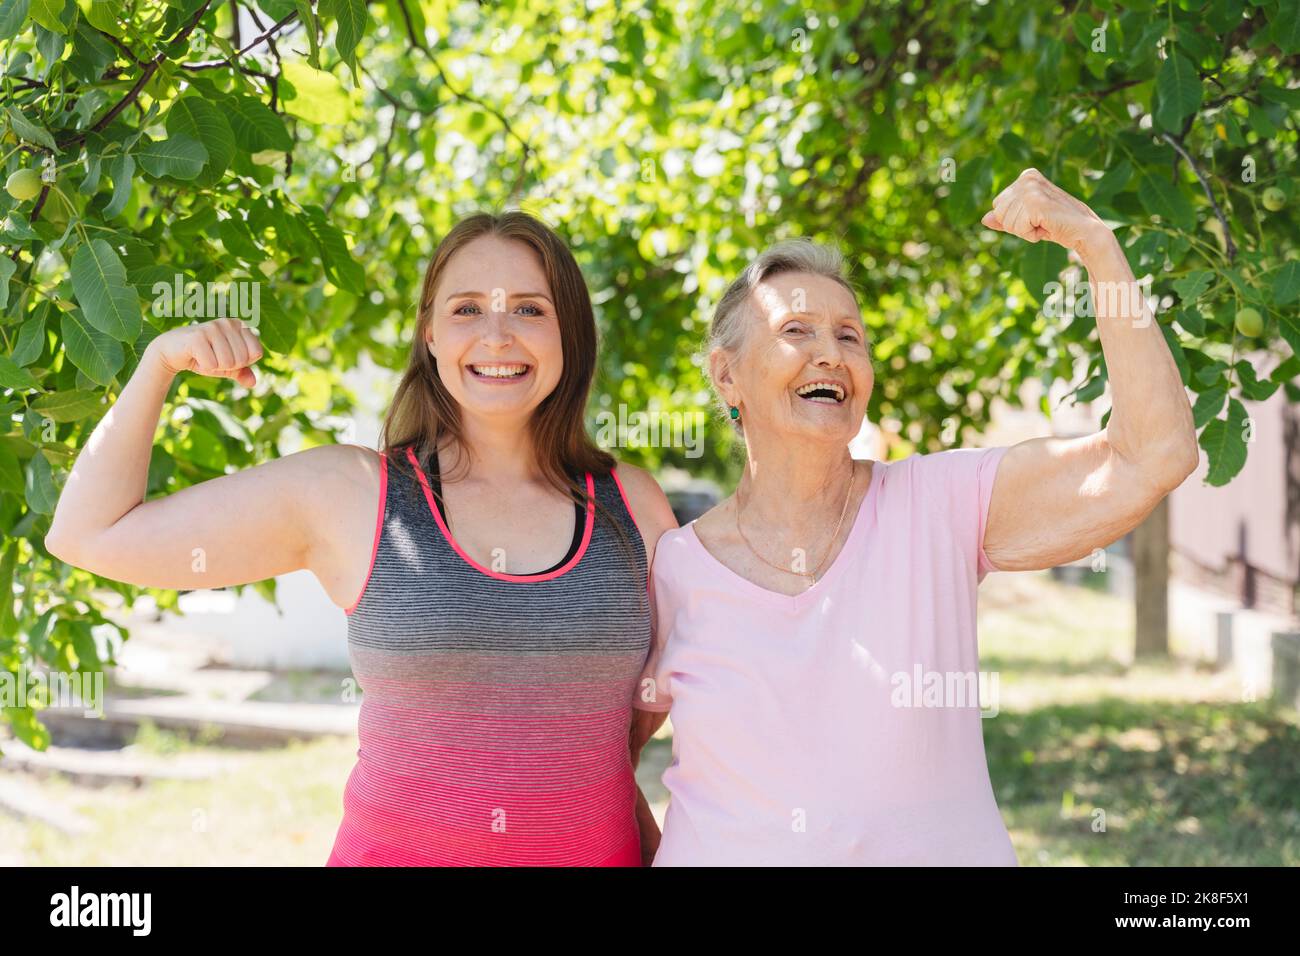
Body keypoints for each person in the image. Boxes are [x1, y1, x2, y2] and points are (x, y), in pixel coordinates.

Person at [45, 210, 678, 866]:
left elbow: (649, 720)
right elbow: (91, 533)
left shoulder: (631, 504)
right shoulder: (350, 494)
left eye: (528, 309)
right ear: (429, 334)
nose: (496, 335)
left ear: (568, 331)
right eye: (466, 310)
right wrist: (160, 364)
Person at [630, 168, 1200, 865]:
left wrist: (1096, 247)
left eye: (850, 336)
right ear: (726, 376)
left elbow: (1154, 454)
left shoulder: (943, 504)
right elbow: (600, 764)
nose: (830, 354)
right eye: (796, 329)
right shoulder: (672, 565)